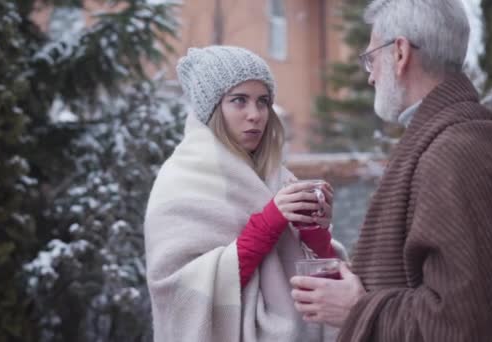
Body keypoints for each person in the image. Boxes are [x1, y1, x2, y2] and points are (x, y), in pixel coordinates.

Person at [290, 0, 492, 341]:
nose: (369, 75)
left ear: (399, 53)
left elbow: (461, 323)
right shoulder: (461, 136)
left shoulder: (453, 152)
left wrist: (357, 308)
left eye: (370, 57)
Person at [144, 45, 343, 342]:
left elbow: (324, 281)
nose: (255, 115)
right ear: (212, 109)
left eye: (263, 101)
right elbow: (179, 292)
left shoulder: (278, 177)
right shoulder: (181, 179)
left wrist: (315, 233)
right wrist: (269, 222)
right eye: (239, 101)